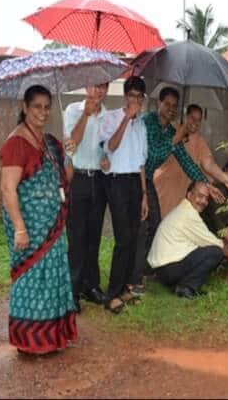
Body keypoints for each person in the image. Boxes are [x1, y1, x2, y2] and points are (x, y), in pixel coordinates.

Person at [0, 85, 77, 354]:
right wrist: (20, 229)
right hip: (28, 225)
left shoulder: (51, 142)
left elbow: (65, 179)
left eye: (46, 107)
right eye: (37, 107)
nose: (42, 112)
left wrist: (70, 154)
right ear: (25, 108)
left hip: (52, 224)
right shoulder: (16, 143)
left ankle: (51, 337)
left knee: (52, 276)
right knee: (30, 276)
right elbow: (8, 189)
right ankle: (29, 341)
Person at [134, 87, 213, 292]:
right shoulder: (146, 123)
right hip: (133, 178)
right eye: (167, 104)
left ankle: (147, 269)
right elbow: (151, 154)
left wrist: (207, 185)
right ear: (158, 103)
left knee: (155, 223)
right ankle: (134, 278)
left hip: (148, 180)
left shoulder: (171, 130)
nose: (170, 109)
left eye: (174, 106)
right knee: (141, 229)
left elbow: (187, 162)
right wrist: (176, 139)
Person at [98, 77, 149, 312]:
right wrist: (126, 118)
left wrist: (145, 195)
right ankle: (111, 294)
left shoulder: (142, 125)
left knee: (134, 236)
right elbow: (110, 147)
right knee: (123, 239)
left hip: (134, 184)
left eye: (140, 97)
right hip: (116, 182)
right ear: (125, 96)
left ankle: (124, 288)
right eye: (132, 96)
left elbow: (141, 163)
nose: (135, 100)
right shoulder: (112, 117)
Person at [147, 181, 228, 297]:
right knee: (215, 252)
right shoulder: (189, 214)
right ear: (189, 195)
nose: (203, 201)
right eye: (200, 196)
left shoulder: (184, 209)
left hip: (163, 269)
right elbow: (214, 243)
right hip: (168, 269)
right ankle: (186, 288)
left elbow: (204, 241)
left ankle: (181, 284)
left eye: (206, 198)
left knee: (212, 250)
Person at [62, 81, 109, 311]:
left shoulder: (108, 116)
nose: (99, 91)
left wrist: (107, 158)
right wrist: (86, 116)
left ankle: (92, 286)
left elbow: (108, 149)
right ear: (86, 87)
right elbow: (71, 144)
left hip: (99, 180)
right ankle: (72, 290)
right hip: (78, 178)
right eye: (95, 86)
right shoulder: (73, 110)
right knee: (77, 236)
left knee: (94, 236)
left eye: (104, 86)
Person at [159, 103, 228, 219]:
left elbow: (208, 163)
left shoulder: (199, 141)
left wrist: (225, 178)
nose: (195, 123)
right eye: (192, 118)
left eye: (198, 120)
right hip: (163, 188)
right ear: (186, 116)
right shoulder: (171, 130)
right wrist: (179, 134)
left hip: (183, 195)